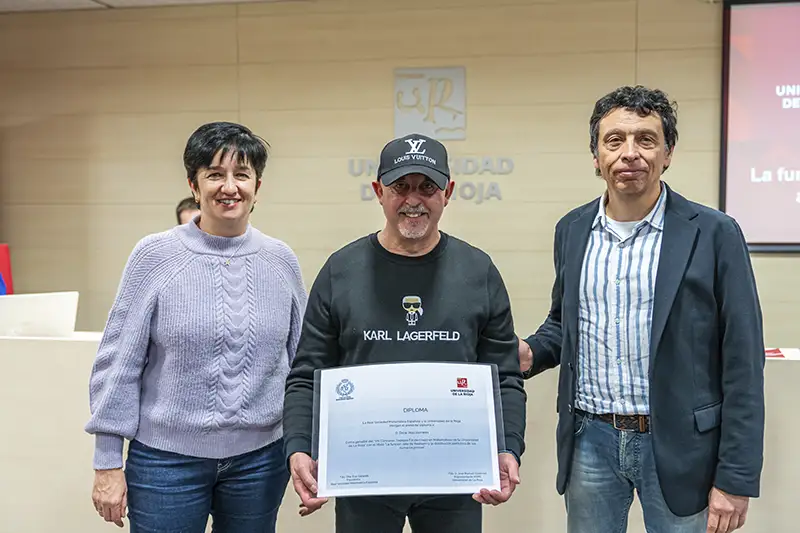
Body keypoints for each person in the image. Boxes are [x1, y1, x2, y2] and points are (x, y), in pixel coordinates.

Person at [518, 85, 765, 533]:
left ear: (667, 154)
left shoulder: (714, 233)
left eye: (646, 140)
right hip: (589, 440)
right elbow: (564, 323)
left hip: (681, 448)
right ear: (596, 156)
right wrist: (530, 353)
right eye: (614, 140)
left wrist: (736, 477)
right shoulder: (572, 230)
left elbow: (743, 362)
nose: (629, 153)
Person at [282, 133, 527, 533]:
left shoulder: (478, 271)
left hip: (456, 478)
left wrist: (507, 447)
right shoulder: (340, 271)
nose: (414, 199)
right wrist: (299, 447)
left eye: (427, 187)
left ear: (448, 192)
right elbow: (307, 374)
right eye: (401, 187)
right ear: (379, 191)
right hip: (364, 477)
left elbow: (505, 377)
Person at [85, 121, 307, 532]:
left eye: (241, 175)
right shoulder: (155, 255)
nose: (229, 186)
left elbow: (302, 364)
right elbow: (119, 361)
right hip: (165, 463)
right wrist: (107, 462)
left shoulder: (281, 261)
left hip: (260, 462)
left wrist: (309, 448)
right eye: (214, 174)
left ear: (258, 185)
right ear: (194, 183)